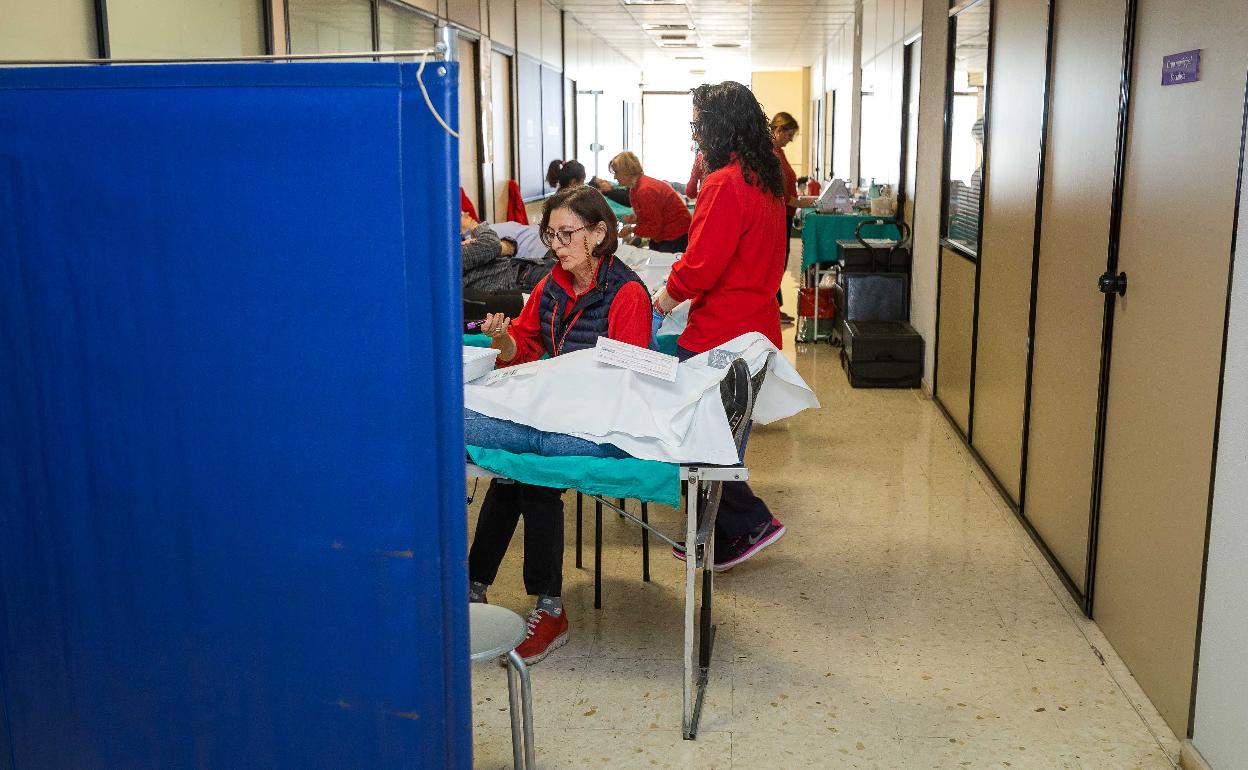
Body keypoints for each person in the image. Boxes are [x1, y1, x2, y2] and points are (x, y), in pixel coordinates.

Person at [467, 185, 652, 664]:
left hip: (607, 424)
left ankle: (541, 605)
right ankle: (485, 590)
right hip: (562, 410)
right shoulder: (552, 283)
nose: (557, 245)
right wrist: (504, 341)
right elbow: (523, 349)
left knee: (531, 469)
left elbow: (629, 384)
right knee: (515, 469)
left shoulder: (627, 293)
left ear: (599, 232)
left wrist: (569, 386)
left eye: (567, 234)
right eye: (551, 235)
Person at [650, 80, 788, 572]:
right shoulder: (765, 181)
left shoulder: (725, 183)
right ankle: (708, 536)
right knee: (725, 435)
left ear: (716, 126)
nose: (695, 131)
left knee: (695, 437)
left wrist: (663, 298)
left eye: (698, 122)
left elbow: (702, 263)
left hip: (721, 335)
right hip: (757, 330)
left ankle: (747, 521)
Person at [609, 151, 693, 254]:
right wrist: (636, 219)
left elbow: (654, 227)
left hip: (676, 235)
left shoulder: (644, 190)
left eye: (616, 172)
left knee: (659, 263)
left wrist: (631, 230)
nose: (614, 177)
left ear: (626, 171)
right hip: (664, 233)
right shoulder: (635, 189)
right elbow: (652, 216)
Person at [770, 111, 810, 325]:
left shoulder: (778, 152)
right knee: (776, 263)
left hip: (784, 214)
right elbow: (782, 194)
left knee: (779, 263)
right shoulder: (772, 153)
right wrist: (803, 202)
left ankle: (775, 308)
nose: (790, 140)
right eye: (789, 135)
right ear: (779, 129)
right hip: (779, 216)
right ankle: (773, 309)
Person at [460, 212, 553, 294]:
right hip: (524, 278)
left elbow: (511, 245)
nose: (466, 213)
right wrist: (475, 227)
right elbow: (493, 245)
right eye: (460, 214)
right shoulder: (452, 256)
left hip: (534, 263)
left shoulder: (475, 240)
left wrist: (497, 247)